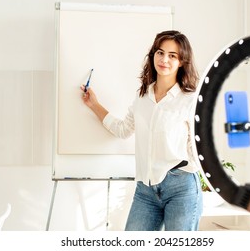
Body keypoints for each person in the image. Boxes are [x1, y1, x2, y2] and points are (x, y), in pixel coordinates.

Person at [80, 30, 202, 231]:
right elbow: (123, 130)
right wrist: (94, 105)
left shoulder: (188, 100)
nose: (164, 59)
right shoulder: (143, 96)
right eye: (160, 53)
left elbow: (197, 148)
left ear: (182, 62)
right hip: (146, 190)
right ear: (153, 55)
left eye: (173, 56)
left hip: (181, 189)